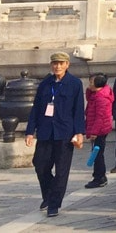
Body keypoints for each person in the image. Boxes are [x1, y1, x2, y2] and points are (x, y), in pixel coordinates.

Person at [25, 51, 85, 217]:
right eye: (55, 63)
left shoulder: (75, 83)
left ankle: (54, 204)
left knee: (61, 171)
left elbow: (79, 109)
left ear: (67, 65)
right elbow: (36, 108)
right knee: (40, 164)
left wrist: (79, 132)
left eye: (61, 63)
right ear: (51, 65)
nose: (57, 66)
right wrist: (30, 131)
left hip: (65, 132)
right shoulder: (45, 83)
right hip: (45, 131)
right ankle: (50, 194)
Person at [84, 73, 114, 189]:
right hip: (98, 128)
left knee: (97, 154)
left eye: (91, 82)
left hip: (100, 130)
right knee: (97, 152)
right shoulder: (96, 95)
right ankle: (99, 176)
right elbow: (89, 97)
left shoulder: (101, 98)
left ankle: (99, 177)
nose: (89, 85)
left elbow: (99, 117)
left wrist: (94, 132)